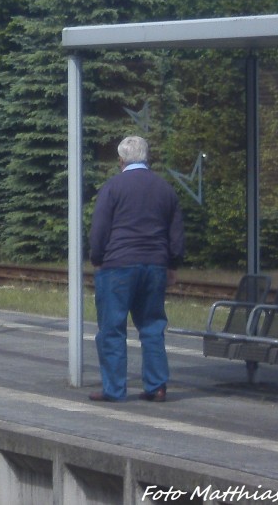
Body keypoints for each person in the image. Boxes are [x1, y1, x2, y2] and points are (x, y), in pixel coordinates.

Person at [88, 135, 185, 403]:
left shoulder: (113, 187)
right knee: (153, 326)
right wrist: (172, 264)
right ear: (147, 158)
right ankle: (156, 386)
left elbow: (100, 229)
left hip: (117, 265)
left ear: (121, 160)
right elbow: (175, 233)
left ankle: (114, 389)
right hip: (154, 265)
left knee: (112, 328)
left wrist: (97, 258)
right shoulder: (165, 189)